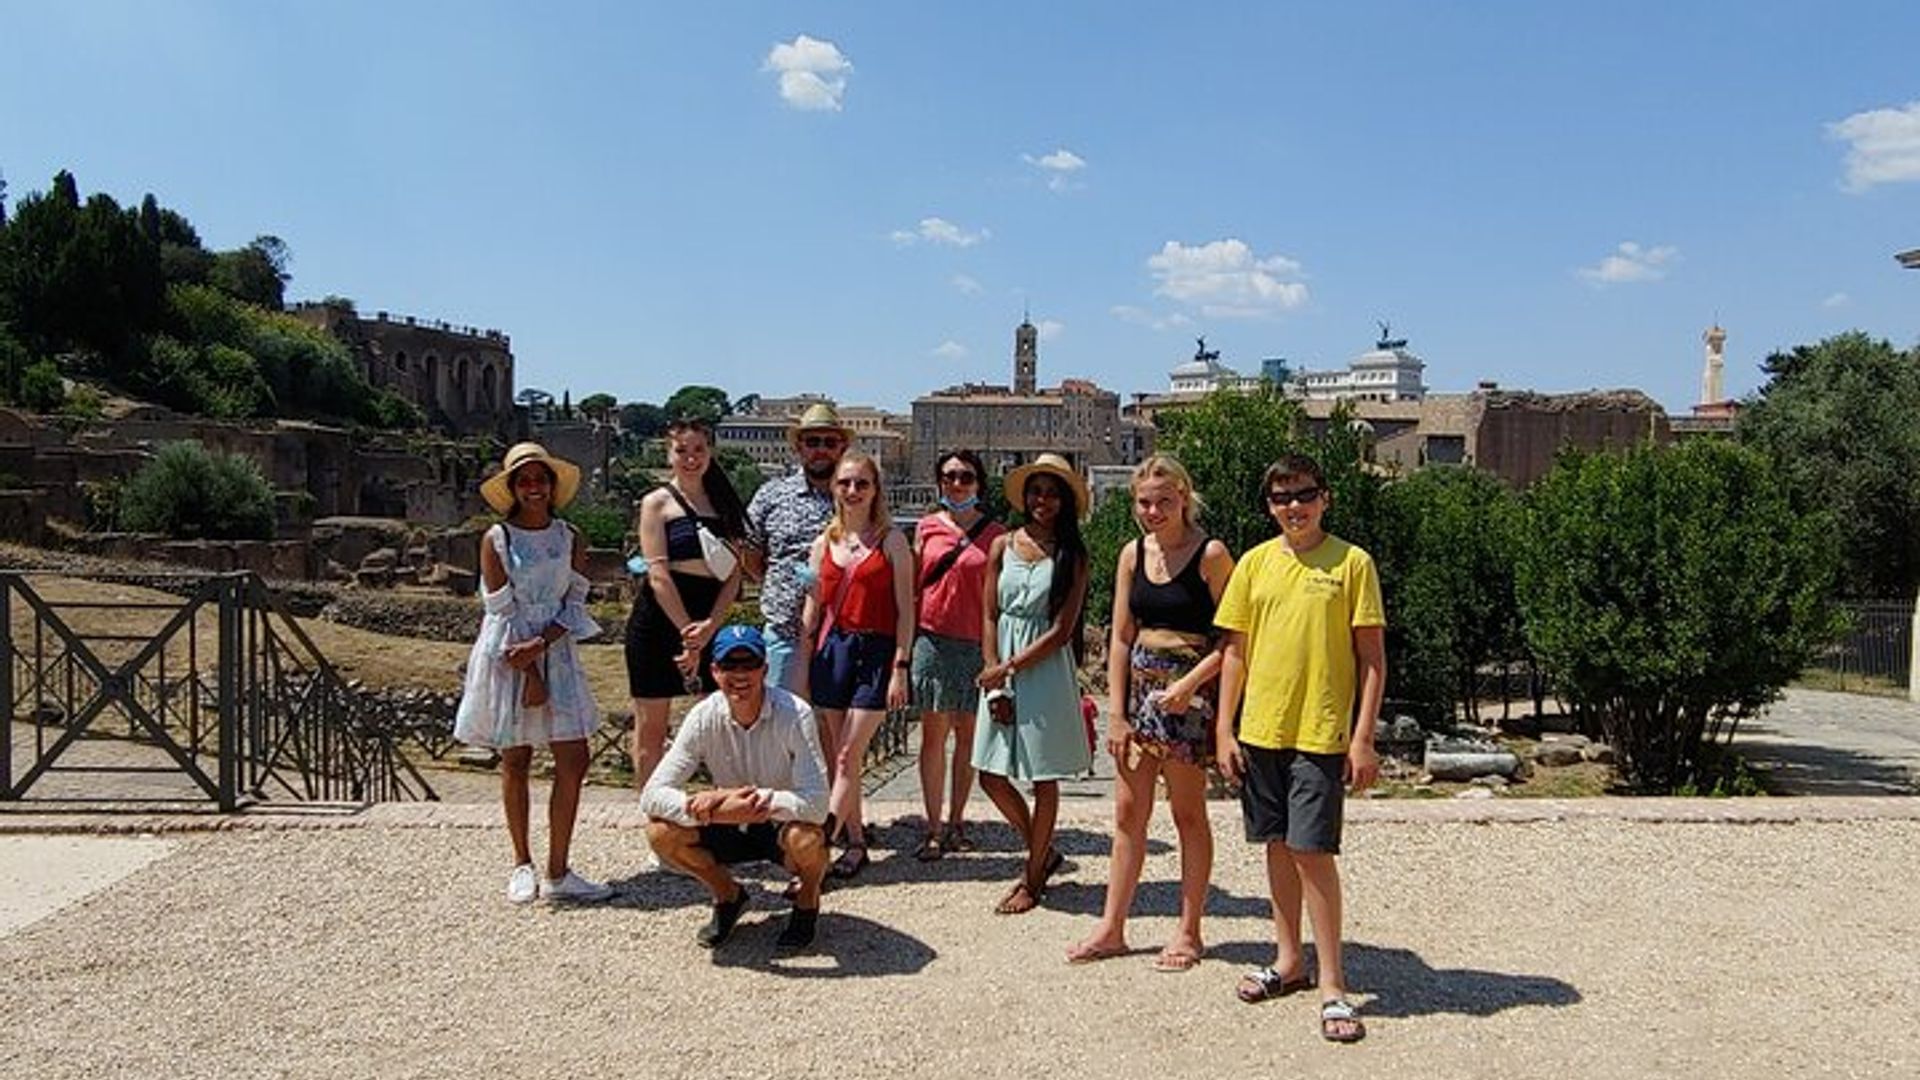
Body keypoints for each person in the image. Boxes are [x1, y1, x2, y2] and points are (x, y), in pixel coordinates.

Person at [1213, 454, 1386, 1044]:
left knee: (1313, 852)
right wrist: (1224, 728)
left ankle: (1333, 983)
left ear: (1325, 498)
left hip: (1321, 731)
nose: (1295, 506)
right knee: (1277, 845)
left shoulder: (1352, 563)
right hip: (1261, 729)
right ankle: (1288, 960)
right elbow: (1235, 652)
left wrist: (1363, 737)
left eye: (1305, 494)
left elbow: (1372, 659)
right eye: (1282, 497)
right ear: (1270, 506)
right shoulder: (1255, 563)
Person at [1068, 454, 1234, 971]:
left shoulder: (1210, 554)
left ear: (1183, 497)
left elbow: (1234, 637)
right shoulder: (1133, 554)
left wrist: (1191, 684)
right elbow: (1120, 636)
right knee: (1127, 812)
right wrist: (1116, 713)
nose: (1154, 511)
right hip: (1141, 693)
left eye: (1163, 501)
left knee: (1187, 813)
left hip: (1189, 692)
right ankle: (1112, 926)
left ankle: (1189, 930)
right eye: (1145, 502)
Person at [453, 443, 614, 905]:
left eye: (540, 479)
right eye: (524, 480)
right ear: (513, 488)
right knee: (516, 758)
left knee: (574, 758)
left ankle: (559, 870)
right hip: (510, 651)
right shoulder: (496, 539)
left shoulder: (571, 537)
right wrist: (530, 673)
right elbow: (502, 612)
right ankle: (521, 863)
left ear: (551, 485)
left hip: (553, 648)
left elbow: (575, 604)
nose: (533, 487)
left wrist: (541, 649)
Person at [641, 626, 831, 952]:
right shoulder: (703, 716)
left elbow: (817, 804)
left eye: (749, 664)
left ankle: (807, 900)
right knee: (660, 834)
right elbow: (651, 795)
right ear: (715, 671)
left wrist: (752, 801)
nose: (740, 674)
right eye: (730, 665)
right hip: (727, 821)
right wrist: (716, 807)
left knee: (808, 839)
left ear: (764, 670)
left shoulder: (795, 714)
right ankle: (728, 895)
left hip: (779, 823)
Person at [973, 453, 1092, 915]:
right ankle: (1042, 852)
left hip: (1043, 668)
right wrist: (994, 674)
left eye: (1053, 493)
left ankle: (1033, 876)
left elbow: (1062, 631)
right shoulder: (1002, 545)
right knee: (990, 774)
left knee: (1043, 776)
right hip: (1002, 664)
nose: (1043, 500)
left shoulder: (1072, 555)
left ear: (1065, 502)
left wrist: (1007, 668)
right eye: (1037, 491)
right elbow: (989, 613)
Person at [798, 451, 914, 878]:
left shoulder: (893, 541)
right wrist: (801, 666)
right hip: (834, 652)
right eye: (845, 483)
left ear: (875, 489)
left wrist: (901, 665)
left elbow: (906, 610)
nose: (852, 491)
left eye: (861, 483)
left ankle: (818, 847)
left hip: (877, 652)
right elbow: (813, 610)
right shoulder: (822, 544)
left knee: (849, 754)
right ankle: (856, 840)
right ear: (834, 488)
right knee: (839, 758)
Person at [624, 417, 748, 788]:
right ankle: (653, 809)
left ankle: (724, 808)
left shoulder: (725, 503)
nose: (691, 458)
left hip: (709, 618)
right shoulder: (656, 503)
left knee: (718, 723)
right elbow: (658, 574)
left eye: (698, 450)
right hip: (661, 621)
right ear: (669, 454)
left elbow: (734, 574)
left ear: (710, 453)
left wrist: (709, 627)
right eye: (682, 451)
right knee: (651, 727)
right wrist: (688, 634)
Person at [908, 449, 1003, 860]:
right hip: (933, 640)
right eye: (949, 476)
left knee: (967, 737)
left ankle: (957, 821)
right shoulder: (926, 527)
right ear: (939, 482)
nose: (957, 484)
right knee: (933, 737)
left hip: (975, 643)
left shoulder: (996, 534)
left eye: (966, 476)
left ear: (979, 483)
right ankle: (932, 825)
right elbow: (913, 584)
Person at [744, 403, 852, 691]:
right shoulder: (771, 495)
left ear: (841, 448)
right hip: (785, 633)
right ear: (799, 447)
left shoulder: (856, 496)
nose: (821, 449)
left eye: (829, 442)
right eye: (813, 442)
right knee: (780, 717)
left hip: (842, 637)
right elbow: (750, 552)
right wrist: (777, 585)